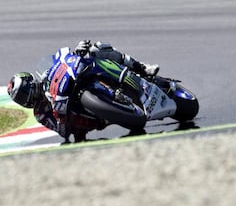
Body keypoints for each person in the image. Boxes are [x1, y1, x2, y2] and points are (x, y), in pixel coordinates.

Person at [7, 40, 159, 141]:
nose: (26, 99)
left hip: (78, 85)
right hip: (85, 120)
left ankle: (142, 68)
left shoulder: (46, 74)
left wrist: (77, 51)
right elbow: (63, 132)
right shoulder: (40, 113)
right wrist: (59, 116)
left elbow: (62, 60)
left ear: (31, 82)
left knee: (97, 48)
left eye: (24, 93)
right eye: (21, 99)